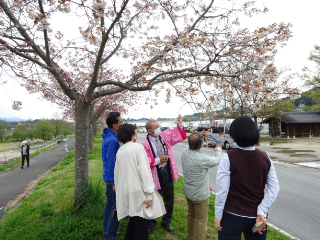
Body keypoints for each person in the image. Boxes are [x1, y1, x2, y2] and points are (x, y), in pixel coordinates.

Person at [215, 116, 280, 240]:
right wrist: (262, 210)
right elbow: (275, 188)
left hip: (232, 216)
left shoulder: (228, 156)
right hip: (257, 218)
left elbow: (223, 190)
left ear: (235, 135)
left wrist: (218, 215)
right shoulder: (265, 157)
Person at [114, 124, 166, 240]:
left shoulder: (120, 151)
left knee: (133, 224)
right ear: (132, 135)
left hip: (126, 192)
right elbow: (145, 172)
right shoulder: (138, 148)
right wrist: (149, 194)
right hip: (138, 193)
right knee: (141, 228)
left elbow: (117, 175)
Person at [141, 114, 187, 233]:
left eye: (159, 125)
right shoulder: (144, 144)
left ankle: (166, 221)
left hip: (167, 171)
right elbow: (144, 161)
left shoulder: (164, 136)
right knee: (155, 199)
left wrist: (180, 124)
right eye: (156, 127)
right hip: (155, 174)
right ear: (149, 130)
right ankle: (151, 223)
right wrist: (158, 160)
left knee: (169, 199)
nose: (159, 128)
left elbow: (177, 134)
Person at [182, 131, 223, 240]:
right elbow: (216, 160)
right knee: (201, 220)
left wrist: (198, 134)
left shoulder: (185, 153)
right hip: (200, 195)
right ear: (200, 145)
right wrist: (218, 148)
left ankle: (191, 237)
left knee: (191, 216)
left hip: (188, 192)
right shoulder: (202, 159)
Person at [102, 112, 123, 239]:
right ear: (115, 125)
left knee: (110, 205)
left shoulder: (109, 136)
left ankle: (106, 230)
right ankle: (110, 236)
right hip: (112, 178)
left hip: (109, 177)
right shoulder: (113, 140)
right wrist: (114, 182)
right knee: (116, 208)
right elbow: (111, 163)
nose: (122, 124)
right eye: (121, 122)